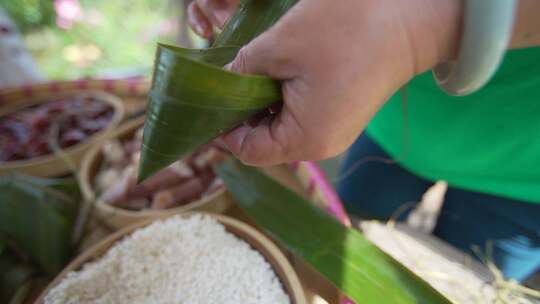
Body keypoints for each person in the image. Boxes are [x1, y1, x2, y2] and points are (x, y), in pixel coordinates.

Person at [187, 0, 540, 282]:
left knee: (462, 282)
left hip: (519, 179)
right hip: (384, 122)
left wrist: (414, 30)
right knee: (350, 229)